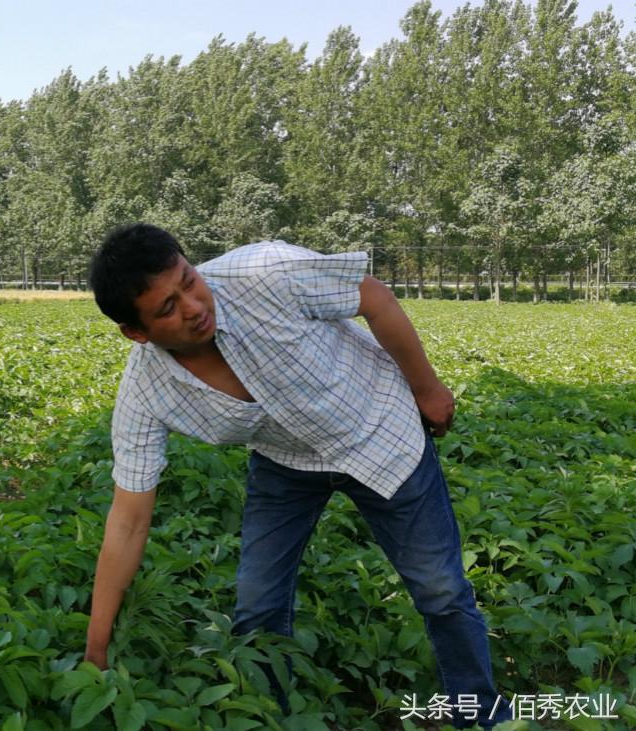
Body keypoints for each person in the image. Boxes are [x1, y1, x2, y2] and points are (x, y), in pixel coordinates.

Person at [83, 223, 511, 727]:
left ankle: (478, 714)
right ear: (136, 332)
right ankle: (270, 717)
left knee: (440, 589)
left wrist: (428, 388)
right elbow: (129, 520)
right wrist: (96, 647)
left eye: (188, 281)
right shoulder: (147, 392)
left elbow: (373, 297)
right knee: (258, 605)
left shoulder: (263, 273)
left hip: (378, 427)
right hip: (286, 461)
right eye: (166, 309)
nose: (194, 307)